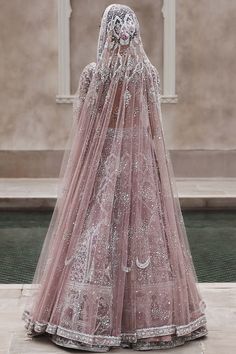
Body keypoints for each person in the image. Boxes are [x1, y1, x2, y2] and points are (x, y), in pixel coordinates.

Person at [22, 3, 208, 352]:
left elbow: (84, 127)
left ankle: (90, 315)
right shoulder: (148, 73)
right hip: (140, 157)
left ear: (107, 30)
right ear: (133, 30)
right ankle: (148, 318)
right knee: (145, 230)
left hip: (104, 159)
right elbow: (155, 127)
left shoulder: (95, 72)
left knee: (97, 226)